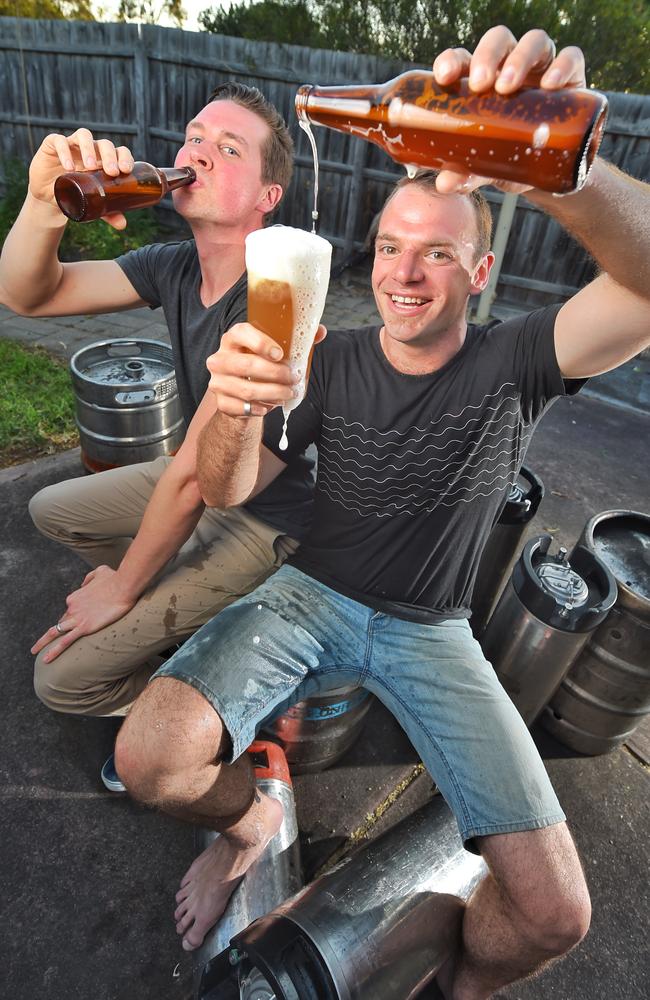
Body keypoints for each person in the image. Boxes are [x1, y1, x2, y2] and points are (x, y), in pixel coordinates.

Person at [119, 26, 647, 998]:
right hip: (309, 591)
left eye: (436, 253)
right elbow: (231, 488)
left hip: (432, 630)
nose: (404, 274)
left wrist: (551, 170)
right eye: (390, 249)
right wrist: (231, 405)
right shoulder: (329, 357)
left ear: (478, 275)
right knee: (150, 756)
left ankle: (456, 981)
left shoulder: (520, 357)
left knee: (551, 913)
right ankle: (256, 816)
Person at [0, 84, 315, 789]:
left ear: (269, 195)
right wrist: (42, 203)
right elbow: (28, 295)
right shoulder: (173, 264)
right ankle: (168, 620)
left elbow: (200, 479)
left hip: (264, 520)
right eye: (195, 136)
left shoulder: (277, 295)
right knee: (50, 509)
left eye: (227, 149)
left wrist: (123, 586)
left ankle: (214, 720)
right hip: (196, 480)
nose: (197, 153)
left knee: (61, 681)